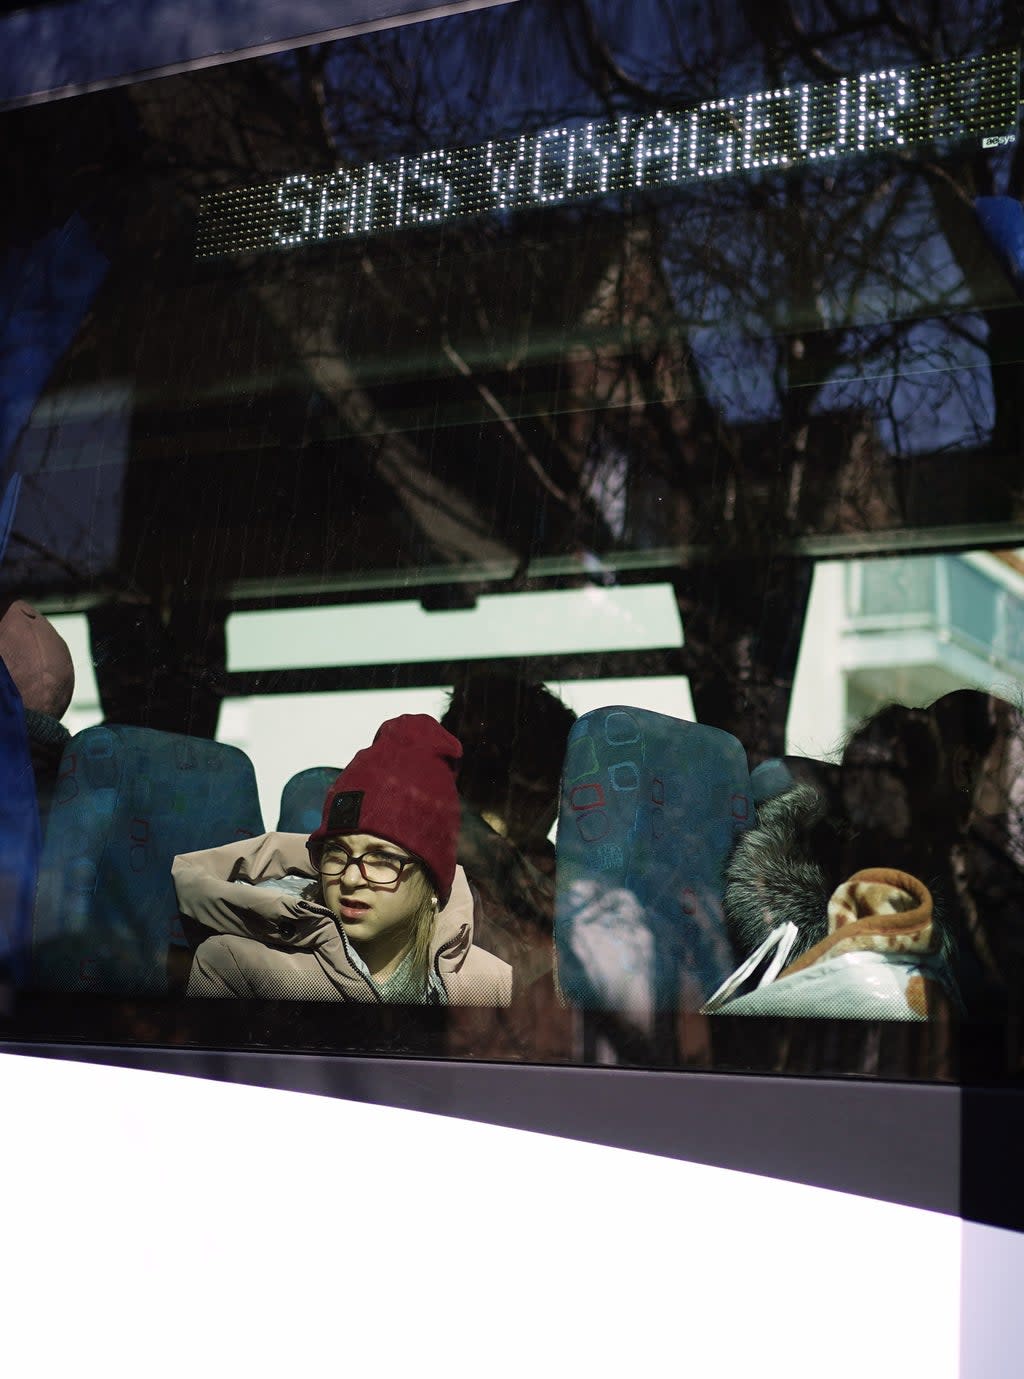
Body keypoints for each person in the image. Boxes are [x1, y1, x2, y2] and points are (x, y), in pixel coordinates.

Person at [172, 714, 512, 1005]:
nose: (350, 880)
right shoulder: (237, 965)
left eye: (381, 859)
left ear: (432, 880)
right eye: (337, 854)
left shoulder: (489, 985)